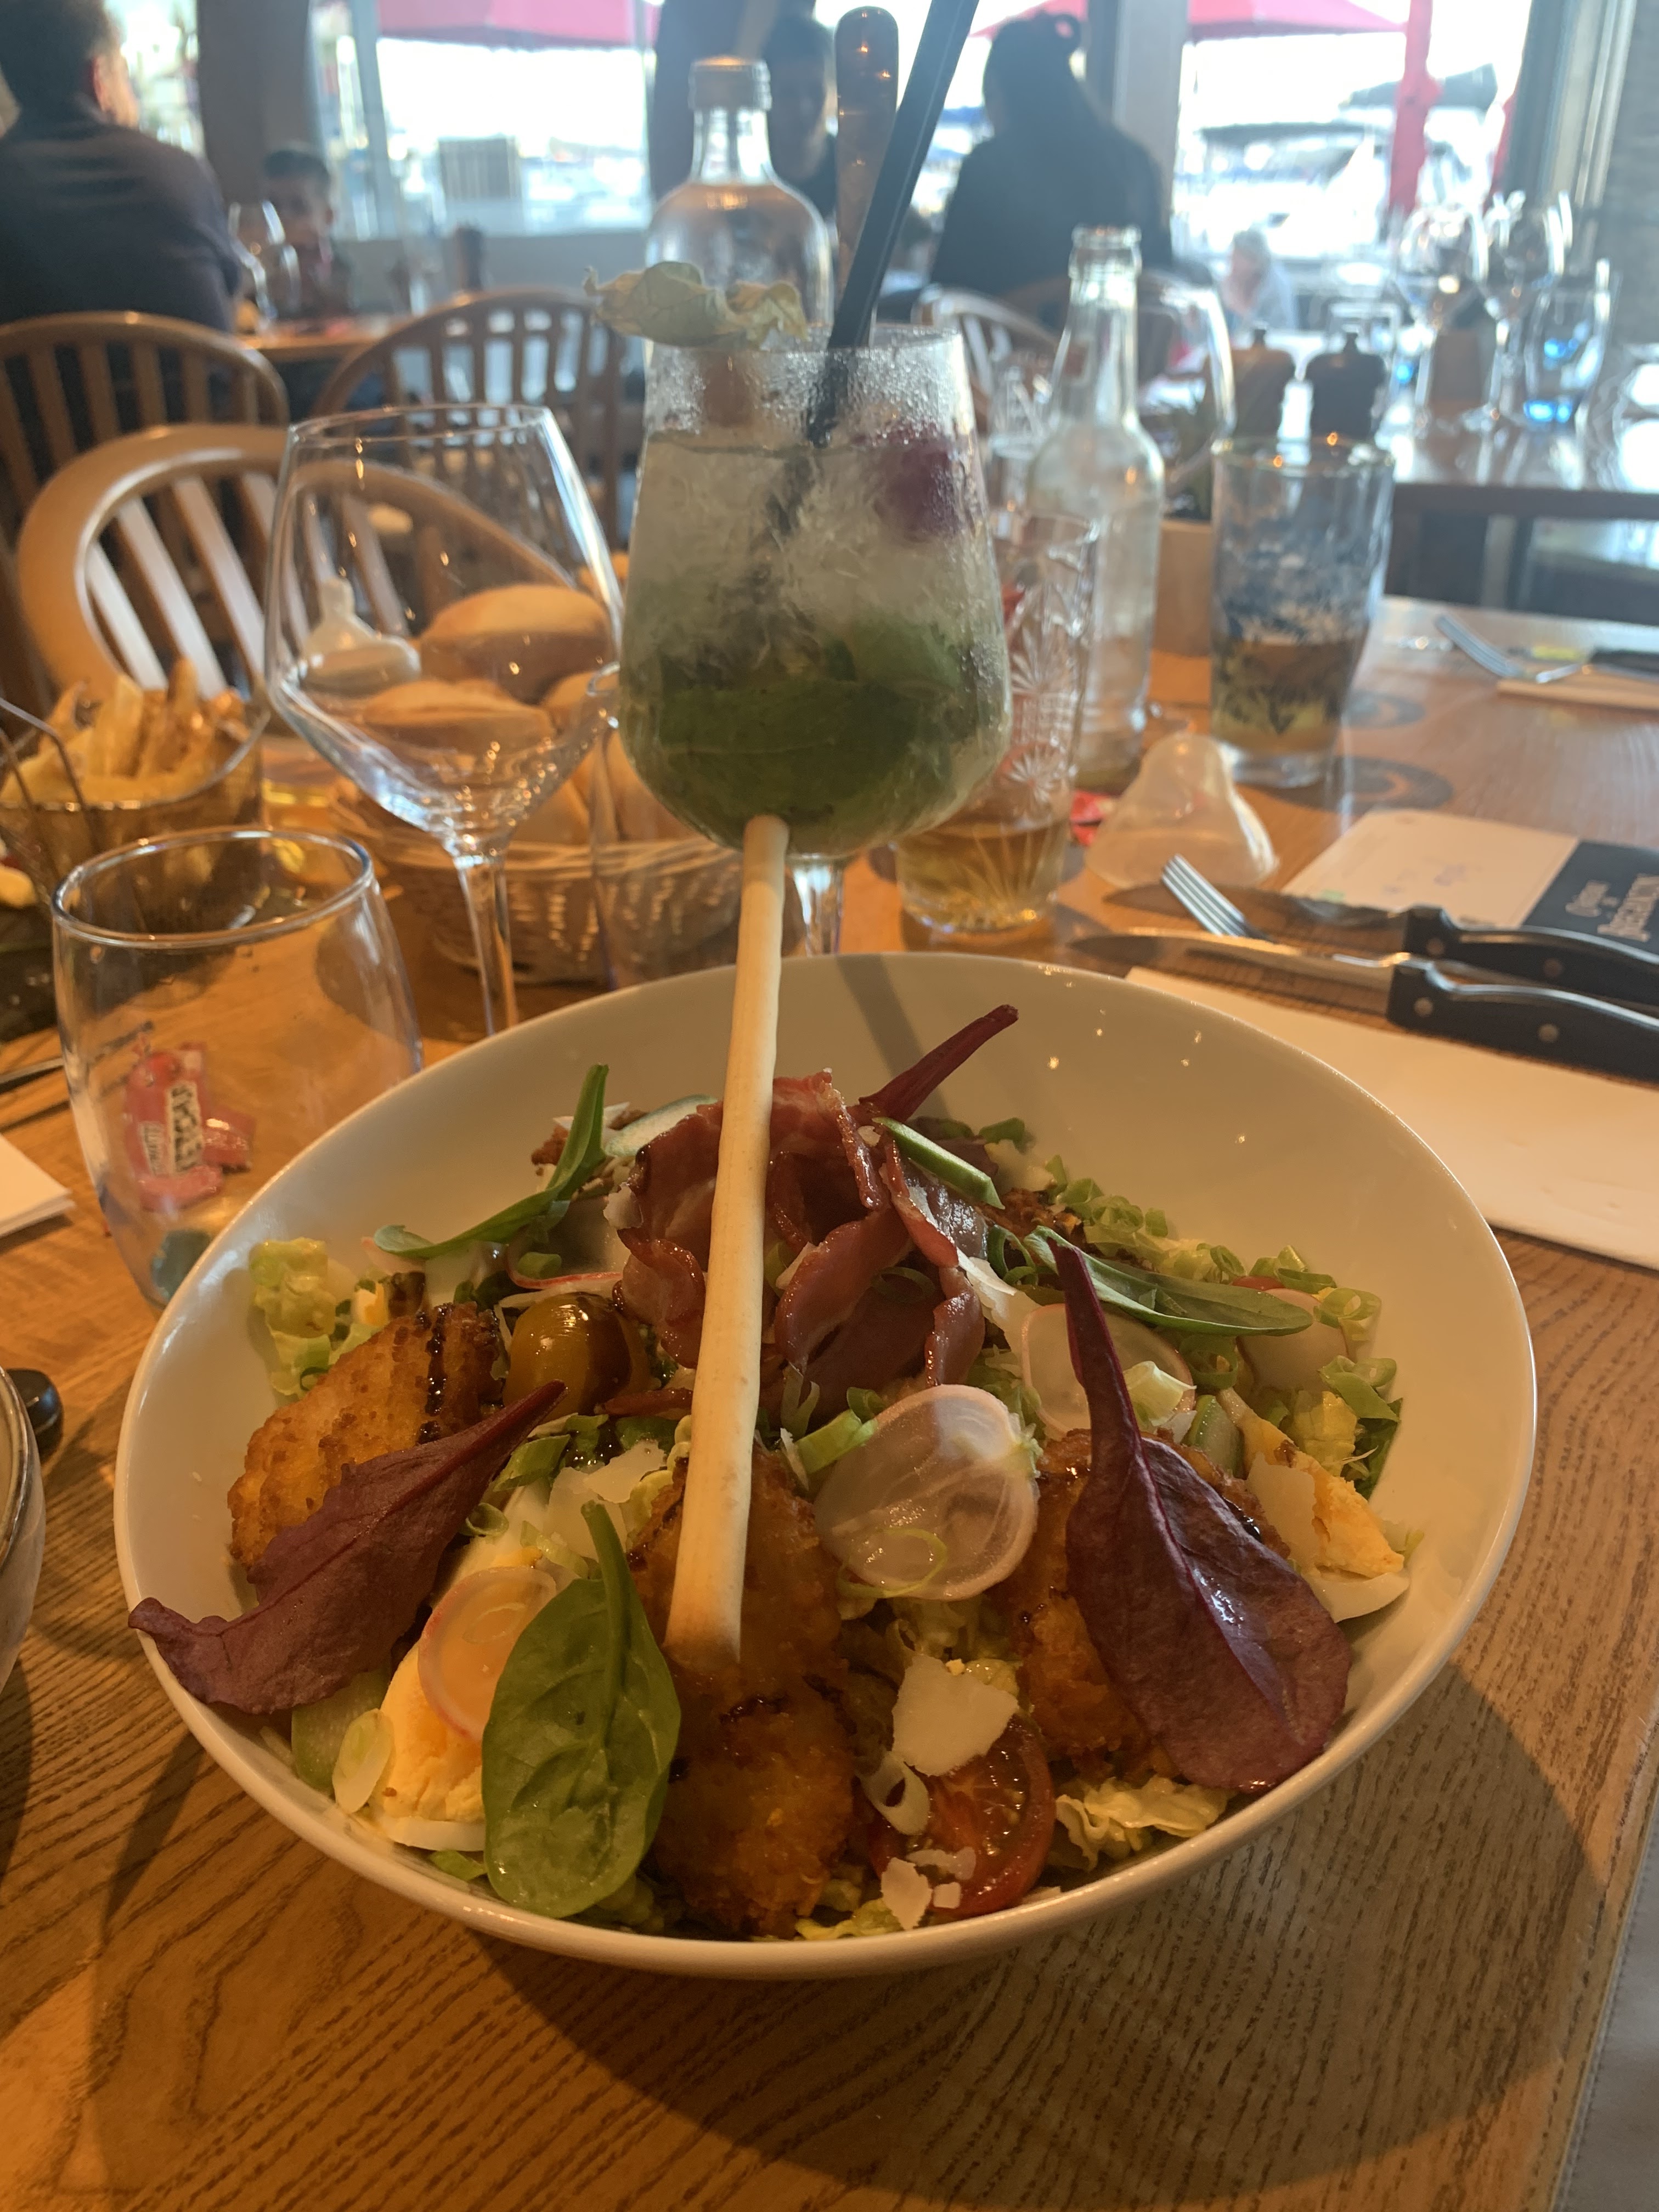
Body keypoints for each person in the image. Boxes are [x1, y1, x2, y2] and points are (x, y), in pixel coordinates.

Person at [0, 0, 241, 328]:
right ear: (97, 78)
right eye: (124, 72)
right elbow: (231, 303)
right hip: (190, 366)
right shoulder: (181, 173)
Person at [930, 13, 1171, 316]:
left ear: (1001, 93)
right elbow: (1162, 281)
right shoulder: (1134, 161)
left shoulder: (988, 167)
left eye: (989, 98)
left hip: (1011, 348)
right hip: (1124, 344)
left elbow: (948, 293)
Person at [261, 145, 355, 320]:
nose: (283, 218)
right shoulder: (259, 273)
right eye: (273, 208)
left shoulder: (349, 274)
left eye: (299, 207)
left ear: (328, 217)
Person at [763, 12, 836, 224]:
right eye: (788, 93)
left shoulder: (854, 172)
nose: (803, 108)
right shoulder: (748, 174)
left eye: (815, 91)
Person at [1218, 228, 1299, 338]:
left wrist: (1242, 310)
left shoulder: (1276, 286)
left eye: (1237, 259)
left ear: (1253, 259)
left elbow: (1283, 333)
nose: (1232, 267)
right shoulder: (1235, 282)